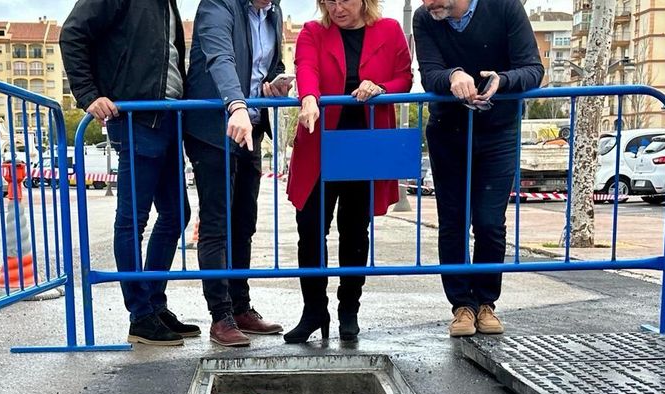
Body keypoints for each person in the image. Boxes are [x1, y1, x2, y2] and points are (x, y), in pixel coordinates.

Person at [60, 0, 198, 346]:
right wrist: (89, 95)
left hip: (165, 116)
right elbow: (72, 33)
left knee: (177, 213)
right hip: (136, 117)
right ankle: (140, 314)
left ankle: (152, 303)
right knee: (132, 219)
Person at [285, 0, 412, 343]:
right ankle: (313, 311)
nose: (337, 7)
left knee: (354, 233)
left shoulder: (388, 29)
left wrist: (381, 87)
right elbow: (306, 68)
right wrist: (309, 97)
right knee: (310, 230)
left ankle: (348, 311)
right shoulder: (314, 31)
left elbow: (405, 77)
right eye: (329, 0)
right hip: (320, 145)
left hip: (364, 146)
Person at [413, 0, 543, 337]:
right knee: (453, 222)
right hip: (447, 133)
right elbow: (429, 73)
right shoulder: (425, 18)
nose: (428, 4)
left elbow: (533, 68)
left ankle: (486, 302)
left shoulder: (504, 8)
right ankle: (461, 307)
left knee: (489, 222)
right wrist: (453, 75)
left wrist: (503, 80)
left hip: (498, 133)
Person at [184, 0, 292, 347]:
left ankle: (242, 307)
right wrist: (237, 104)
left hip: (251, 128)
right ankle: (221, 316)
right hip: (215, 128)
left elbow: (267, 66)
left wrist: (275, 84)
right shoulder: (219, 6)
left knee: (244, 221)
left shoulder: (272, 14)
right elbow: (221, 59)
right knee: (217, 225)